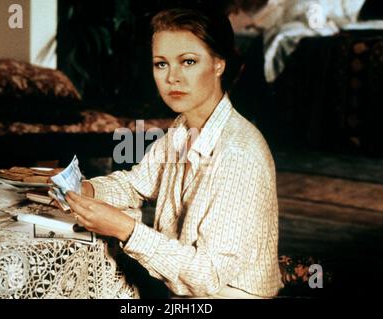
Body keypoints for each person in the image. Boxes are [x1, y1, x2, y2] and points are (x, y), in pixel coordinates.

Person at [64, 7, 283, 299]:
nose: (172, 78)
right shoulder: (182, 129)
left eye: (188, 61)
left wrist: (126, 230)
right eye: (161, 64)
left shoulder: (238, 154)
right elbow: (135, 185)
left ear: (219, 64)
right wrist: (84, 189)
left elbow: (208, 278)